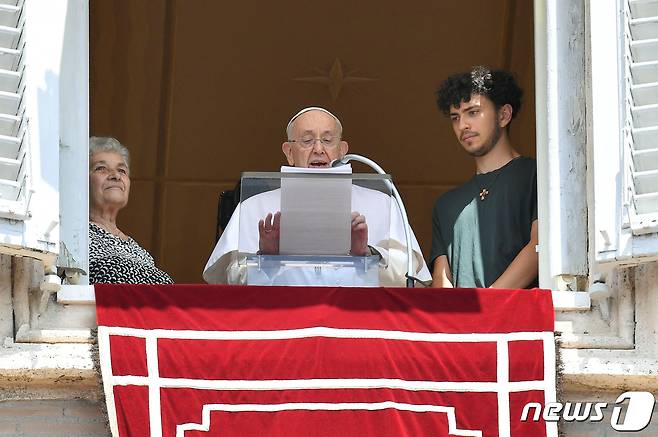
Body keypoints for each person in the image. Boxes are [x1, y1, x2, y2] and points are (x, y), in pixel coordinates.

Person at [203, 107, 431, 286]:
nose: (319, 149)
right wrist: (266, 256)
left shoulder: (382, 203)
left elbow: (410, 277)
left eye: (328, 140)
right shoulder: (254, 205)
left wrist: (366, 254)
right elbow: (226, 280)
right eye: (307, 140)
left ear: (343, 151)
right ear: (289, 153)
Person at [431, 66, 538, 289]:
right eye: (455, 117)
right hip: (461, 323)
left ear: (503, 115)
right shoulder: (446, 205)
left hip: (525, 322)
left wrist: (487, 308)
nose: (462, 125)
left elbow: (540, 246)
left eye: (473, 112)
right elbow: (441, 284)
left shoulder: (536, 175)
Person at [88, 136, 173, 284]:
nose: (115, 176)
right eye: (101, 168)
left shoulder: (141, 253)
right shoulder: (73, 238)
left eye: (122, 170)